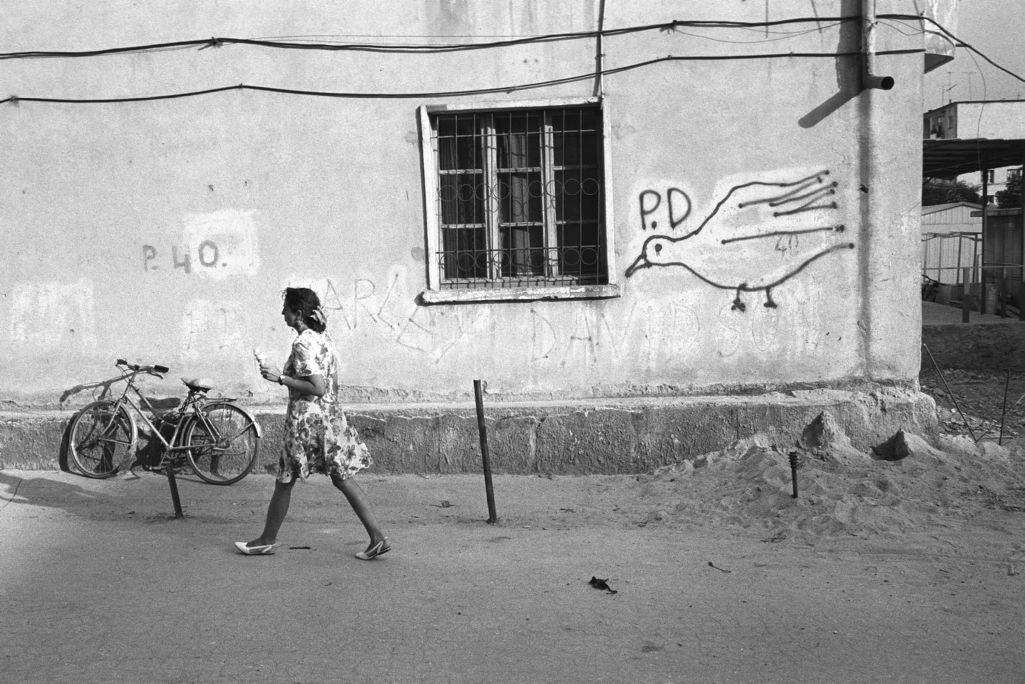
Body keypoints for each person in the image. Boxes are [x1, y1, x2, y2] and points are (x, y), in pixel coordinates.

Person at [235, 287, 389, 560]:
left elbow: (316, 387)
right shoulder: (323, 337)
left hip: (306, 421)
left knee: (285, 478)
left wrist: (278, 378)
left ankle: (266, 540)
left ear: (298, 314)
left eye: (286, 309)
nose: (282, 313)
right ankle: (377, 537)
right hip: (330, 418)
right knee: (342, 477)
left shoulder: (303, 343)